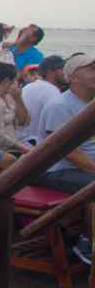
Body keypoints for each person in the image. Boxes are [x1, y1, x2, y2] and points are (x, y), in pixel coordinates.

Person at [35, 53, 95, 194]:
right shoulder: (59, 106)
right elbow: (69, 153)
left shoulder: (89, 104)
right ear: (73, 77)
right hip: (59, 170)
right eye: (92, 69)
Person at [19, 54, 66, 144]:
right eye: (62, 69)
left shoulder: (30, 86)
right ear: (50, 72)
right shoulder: (51, 91)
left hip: (24, 140)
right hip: (37, 145)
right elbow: (55, 128)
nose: (66, 73)